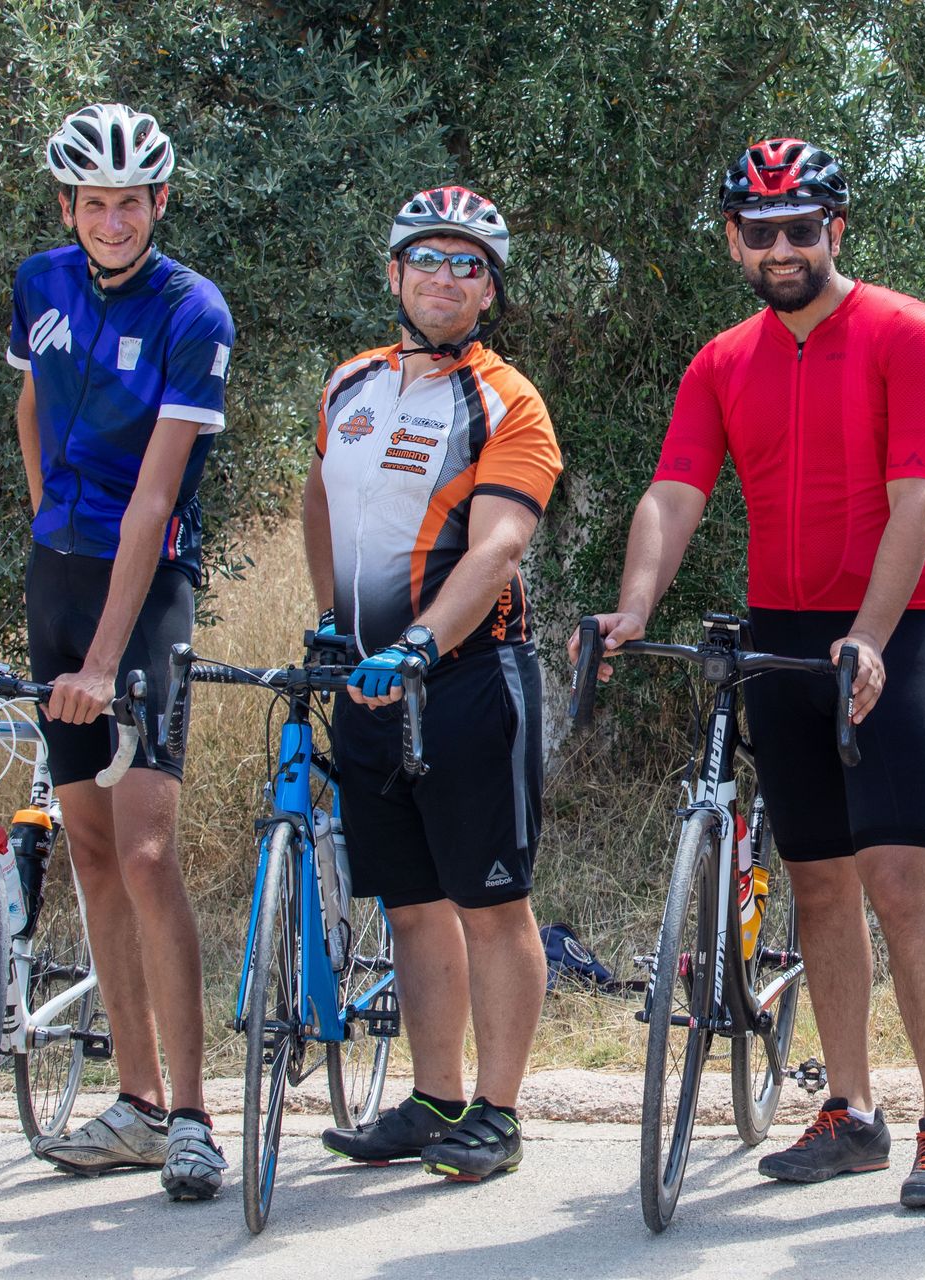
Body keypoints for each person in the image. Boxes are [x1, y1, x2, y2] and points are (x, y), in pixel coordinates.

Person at [574, 139, 925, 1209]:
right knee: (817, 882)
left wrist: (874, 637)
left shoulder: (906, 332)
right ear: (733, 241)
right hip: (779, 632)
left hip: (898, 623)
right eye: (763, 231)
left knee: (899, 875)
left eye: (804, 227)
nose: (784, 246)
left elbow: (916, 503)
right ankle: (850, 1107)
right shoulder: (721, 359)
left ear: (836, 230)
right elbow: (673, 492)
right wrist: (635, 605)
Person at [311, 186, 563, 1183]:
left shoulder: (509, 398)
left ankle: (497, 1111)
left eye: (468, 264)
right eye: (428, 259)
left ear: (490, 288)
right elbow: (321, 498)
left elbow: (499, 543)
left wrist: (416, 643)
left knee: (491, 902)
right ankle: (433, 1097)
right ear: (394, 274)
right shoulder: (348, 384)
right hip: (365, 682)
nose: (446, 279)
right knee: (412, 904)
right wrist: (335, 618)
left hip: (468, 679)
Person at [9, 103, 233, 1200]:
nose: (110, 218)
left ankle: (192, 1112)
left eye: (129, 201)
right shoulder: (37, 281)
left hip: (143, 595)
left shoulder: (193, 309)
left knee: (145, 850)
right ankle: (137, 1099)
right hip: (58, 578)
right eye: (92, 202)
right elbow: (30, 403)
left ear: (158, 202)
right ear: (69, 206)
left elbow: (153, 497)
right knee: (89, 848)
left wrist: (102, 658)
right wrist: (45, 512)